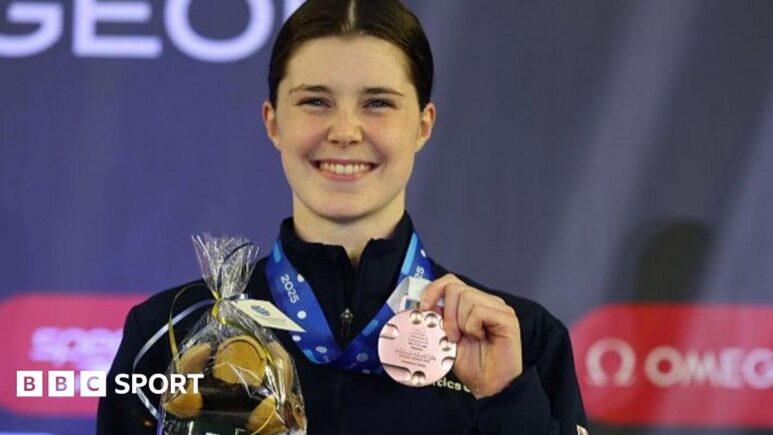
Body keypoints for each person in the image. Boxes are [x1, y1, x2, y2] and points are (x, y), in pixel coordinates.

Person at [97, 0, 587, 434]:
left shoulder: (517, 340)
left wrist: (506, 402)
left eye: (378, 103)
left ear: (422, 125)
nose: (345, 131)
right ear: (273, 122)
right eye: (315, 101)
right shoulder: (171, 334)